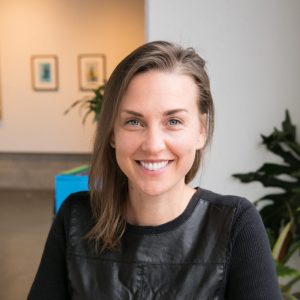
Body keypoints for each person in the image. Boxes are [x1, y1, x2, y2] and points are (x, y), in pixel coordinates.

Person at [28, 41, 282, 299]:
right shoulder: (74, 218)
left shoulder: (236, 224)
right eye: (134, 121)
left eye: (173, 121)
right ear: (112, 132)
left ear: (201, 131)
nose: (153, 145)